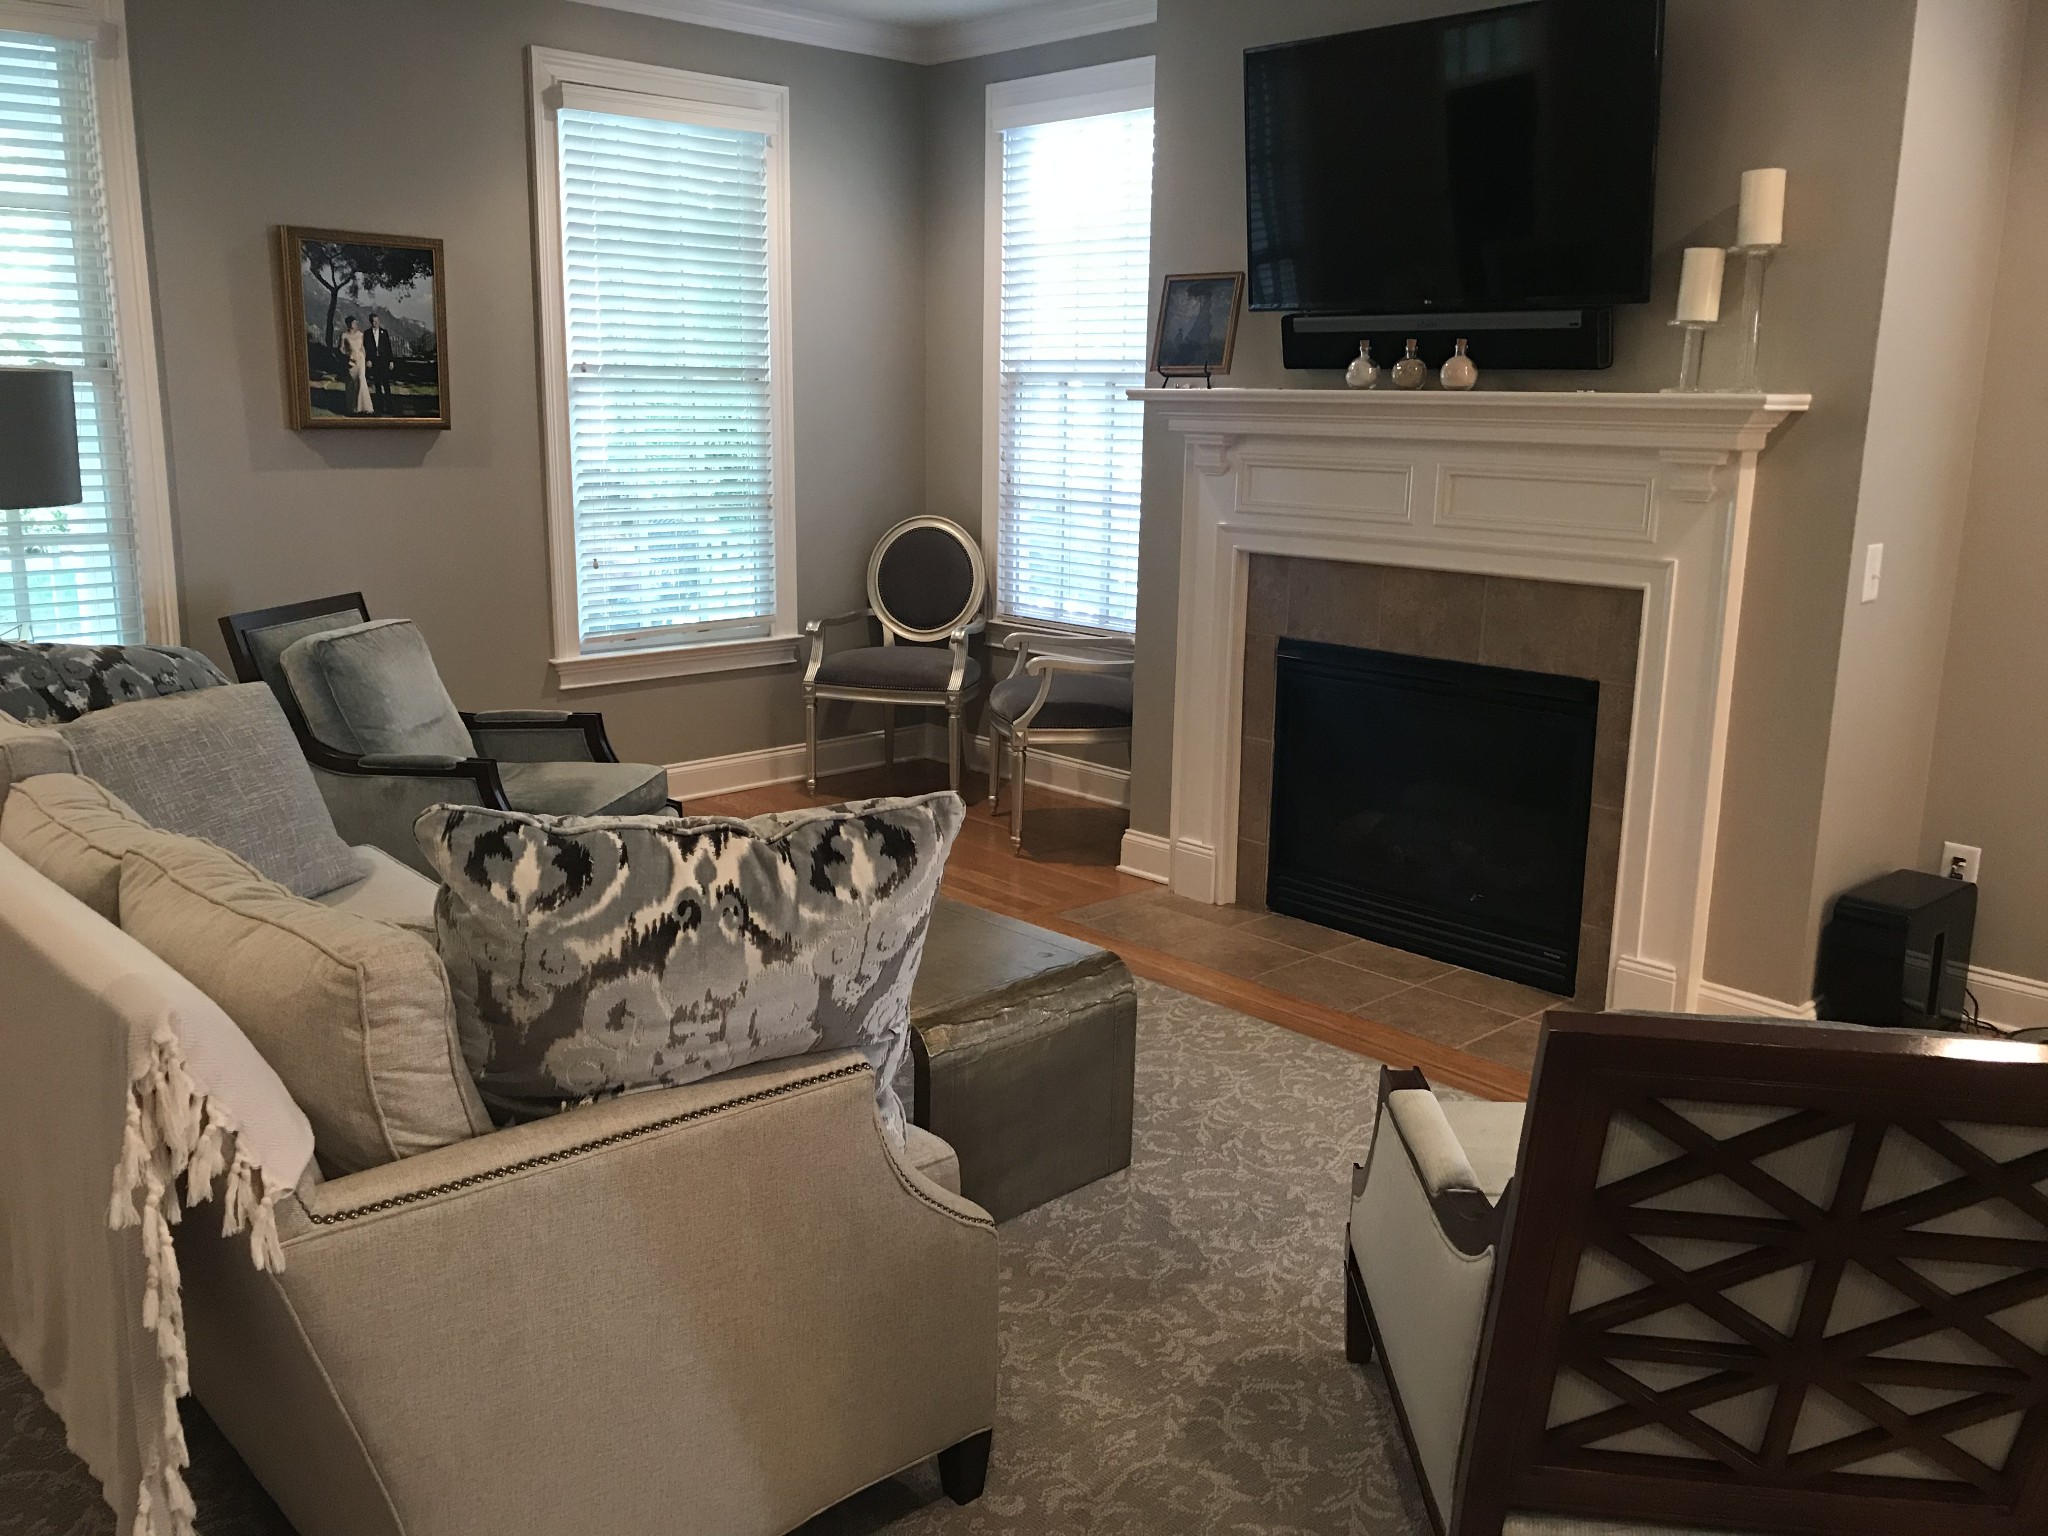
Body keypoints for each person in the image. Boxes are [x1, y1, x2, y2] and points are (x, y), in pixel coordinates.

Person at [338, 315, 372, 415]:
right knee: (352, 382)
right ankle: (353, 407)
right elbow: (340, 349)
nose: (355, 325)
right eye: (353, 323)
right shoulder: (344, 335)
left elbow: (362, 347)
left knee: (361, 380)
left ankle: (364, 407)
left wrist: (366, 359)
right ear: (348, 324)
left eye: (355, 323)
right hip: (351, 360)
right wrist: (348, 355)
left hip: (360, 359)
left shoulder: (360, 334)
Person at [365, 315, 394, 406]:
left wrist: (391, 361)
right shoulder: (367, 333)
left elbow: (388, 347)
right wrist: (368, 359)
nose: (375, 323)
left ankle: (389, 404)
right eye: (373, 321)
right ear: (371, 322)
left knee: (386, 383)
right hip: (374, 361)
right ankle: (380, 404)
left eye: (377, 321)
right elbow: (366, 348)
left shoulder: (384, 332)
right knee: (377, 383)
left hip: (384, 360)